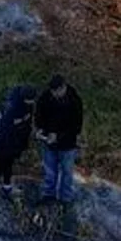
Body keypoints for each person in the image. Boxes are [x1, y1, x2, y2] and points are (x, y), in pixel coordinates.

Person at [35, 72, 84, 204]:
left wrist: (59, 136)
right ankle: (48, 194)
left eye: (57, 91)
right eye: (52, 91)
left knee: (67, 173)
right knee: (49, 170)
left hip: (67, 144)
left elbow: (76, 126)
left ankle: (65, 198)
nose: (54, 94)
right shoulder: (45, 97)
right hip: (48, 142)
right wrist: (40, 129)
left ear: (64, 87)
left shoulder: (74, 101)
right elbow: (39, 115)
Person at [0, 81, 37, 194]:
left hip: (13, 142)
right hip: (2, 143)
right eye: (31, 99)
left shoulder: (24, 104)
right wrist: (21, 121)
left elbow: (25, 124)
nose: (33, 102)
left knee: (8, 164)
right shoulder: (10, 108)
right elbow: (4, 127)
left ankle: (7, 186)